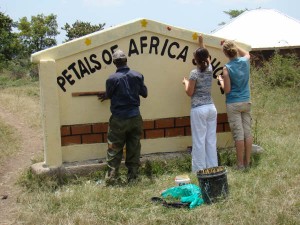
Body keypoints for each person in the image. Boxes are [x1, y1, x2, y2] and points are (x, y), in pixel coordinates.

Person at [98, 49, 148, 185]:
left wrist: (106, 95)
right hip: (135, 117)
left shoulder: (111, 79)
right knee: (134, 147)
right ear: (126, 60)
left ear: (114, 62)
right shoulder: (137, 76)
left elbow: (110, 93)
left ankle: (112, 179)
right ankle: (133, 178)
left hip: (119, 118)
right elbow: (144, 93)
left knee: (114, 149)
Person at [182, 35, 218, 172]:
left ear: (195, 60)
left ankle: (199, 169)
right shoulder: (210, 69)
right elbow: (206, 56)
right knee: (210, 140)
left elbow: (190, 92)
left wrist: (185, 83)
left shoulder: (194, 73)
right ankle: (213, 167)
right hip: (211, 107)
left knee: (199, 141)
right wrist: (202, 43)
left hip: (198, 109)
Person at [218, 40, 252, 170]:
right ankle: (248, 162)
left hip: (233, 103)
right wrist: (234, 45)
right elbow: (247, 53)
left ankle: (240, 164)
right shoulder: (245, 61)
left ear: (226, 54)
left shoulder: (227, 68)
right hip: (246, 101)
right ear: (235, 50)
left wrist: (221, 80)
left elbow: (226, 89)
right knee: (247, 133)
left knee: (239, 135)